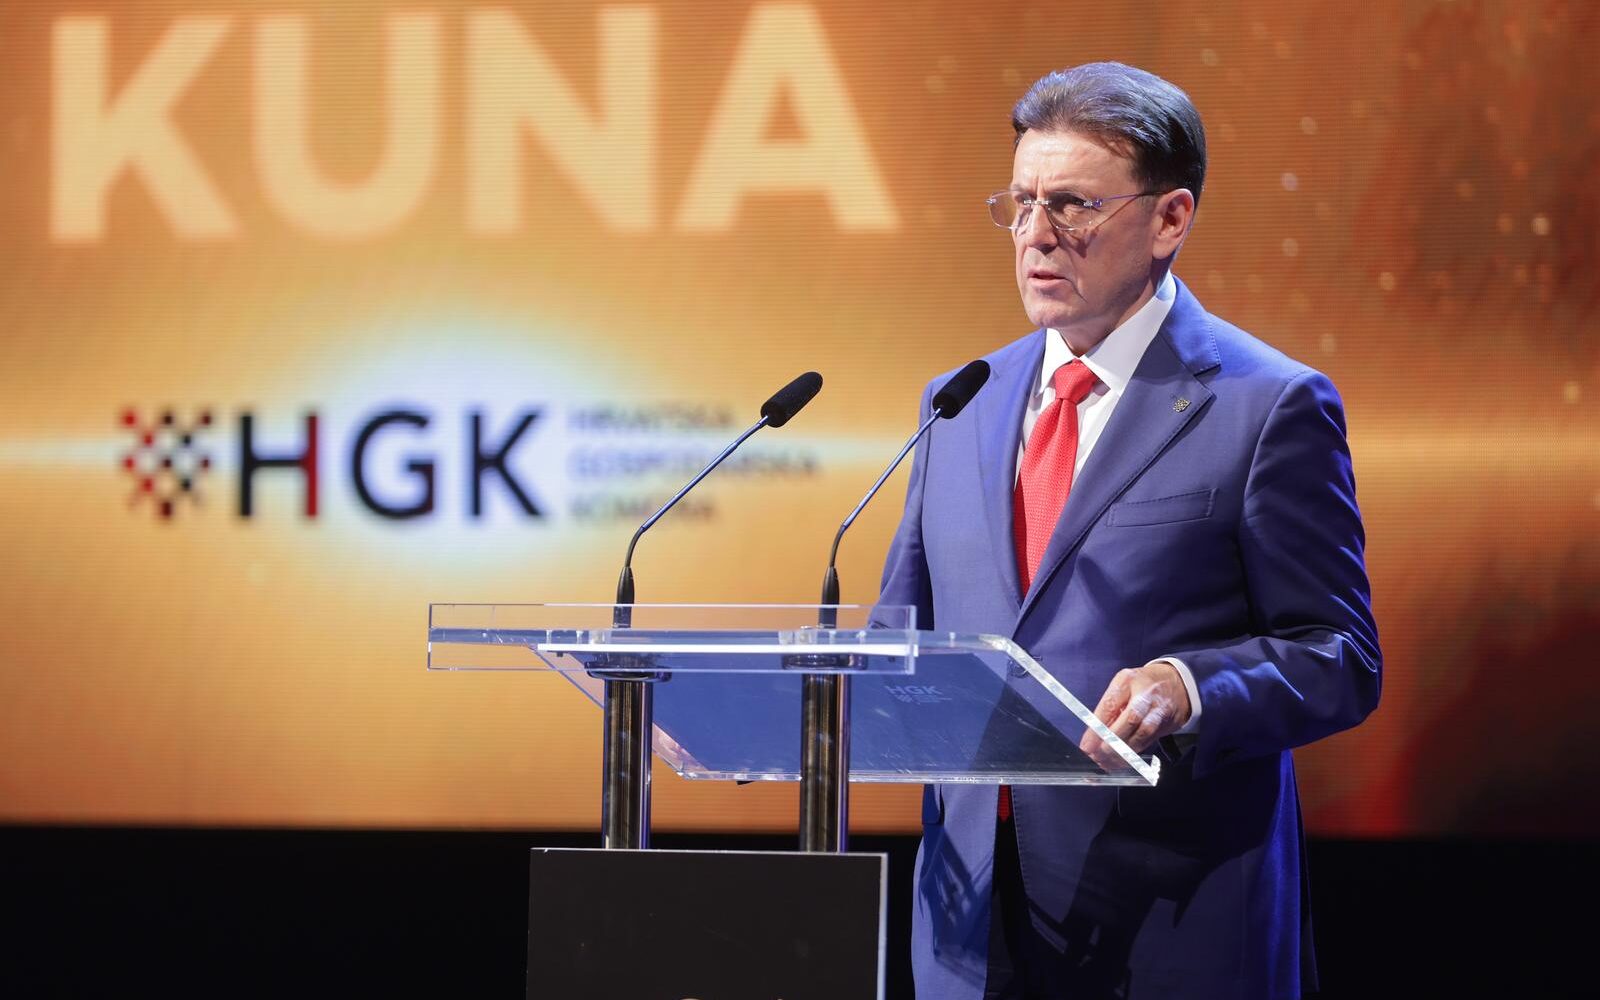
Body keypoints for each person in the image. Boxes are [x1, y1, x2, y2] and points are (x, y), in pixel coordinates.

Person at [877, 62, 1381, 999]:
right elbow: (898, 639)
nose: (1035, 235)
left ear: (1170, 219)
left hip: (1173, 926)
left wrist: (1191, 687)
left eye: (1072, 205)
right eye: (1021, 203)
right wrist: (780, 710)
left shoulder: (1267, 406)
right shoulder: (959, 403)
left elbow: (1339, 655)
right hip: (967, 929)